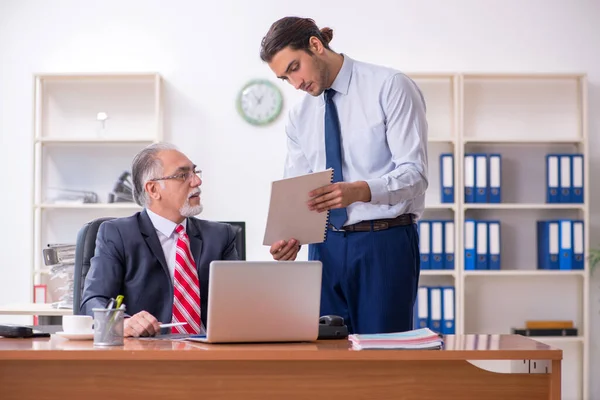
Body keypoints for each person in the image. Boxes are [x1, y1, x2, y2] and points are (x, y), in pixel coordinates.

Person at [261, 17, 428, 335]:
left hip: (383, 243)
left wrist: (362, 190)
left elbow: (416, 173)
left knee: (382, 357)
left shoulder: (389, 86)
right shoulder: (300, 116)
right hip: (324, 249)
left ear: (315, 45)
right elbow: (298, 190)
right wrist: (290, 236)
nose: (295, 84)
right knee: (325, 356)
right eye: (285, 78)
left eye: (295, 68)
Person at [81, 142, 239, 337]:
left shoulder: (221, 236)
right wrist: (123, 322)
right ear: (153, 189)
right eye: (183, 175)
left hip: (210, 353)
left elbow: (240, 303)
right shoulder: (117, 234)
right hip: (147, 353)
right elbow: (93, 301)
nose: (197, 181)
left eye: (195, 172)